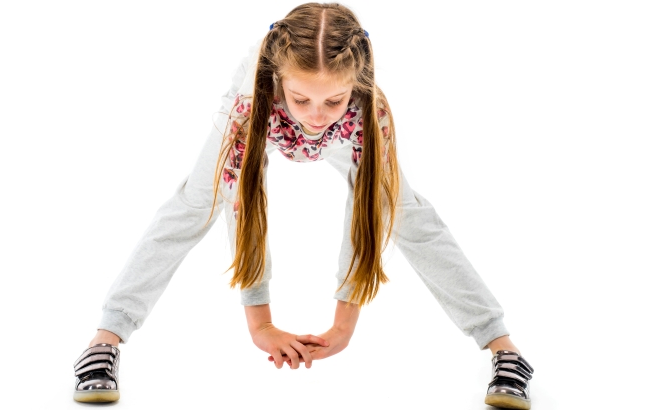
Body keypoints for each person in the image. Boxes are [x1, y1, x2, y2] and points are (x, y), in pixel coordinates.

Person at [72, 3, 534, 409]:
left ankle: (504, 348)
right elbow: (244, 206)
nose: (315, 116)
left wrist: (343, 323)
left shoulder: (366, 114)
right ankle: (105, 337)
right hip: (263, 117)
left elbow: (367, 212)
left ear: (356, 87)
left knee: (405, 210)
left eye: (333, 99)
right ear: (280, 83)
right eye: (302, 99)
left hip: (345, 125)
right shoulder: (249, 107)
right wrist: (262, 322)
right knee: (198, 202)